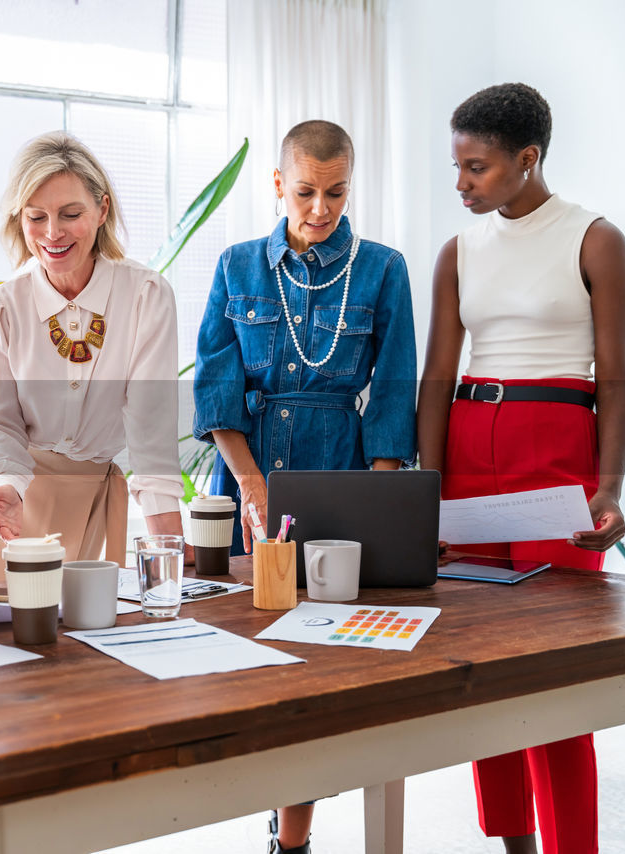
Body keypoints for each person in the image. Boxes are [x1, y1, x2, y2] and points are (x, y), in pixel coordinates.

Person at [418, 83, 625, 854]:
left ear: (527, 159)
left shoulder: (596, 240)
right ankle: (510, 841)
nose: (460, 183)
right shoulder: (457, 250)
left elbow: (615, 378)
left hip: (557, 452)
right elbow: (436, 378)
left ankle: (570, 845)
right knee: (485, 666)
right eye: (456, 165)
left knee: (557, 673)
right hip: (471, 449)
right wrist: (427, 493)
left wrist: (607, 488)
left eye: (474, 167)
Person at [192, 120, 416, 854]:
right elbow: (217, 383)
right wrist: (251, 481)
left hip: (338, 471)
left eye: (337, 191)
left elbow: (390, 396)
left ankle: (294, 835)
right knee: (249, 647)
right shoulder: (236, 266)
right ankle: (269, 796)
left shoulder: (383, 269)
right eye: (306, 190)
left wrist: (379, 507)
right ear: (279, 185)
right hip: (247, 470)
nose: (320, 207)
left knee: (325, 663)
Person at [0, 130, 185, 585]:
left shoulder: (145, 296)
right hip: (3, 495)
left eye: (71, 214)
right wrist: (8, 490)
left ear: (102, 210)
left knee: (82, 640)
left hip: (89, 495)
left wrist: (168, 550)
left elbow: (150, 426)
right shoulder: (2, 308)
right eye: (36, 217)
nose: (52, 234)